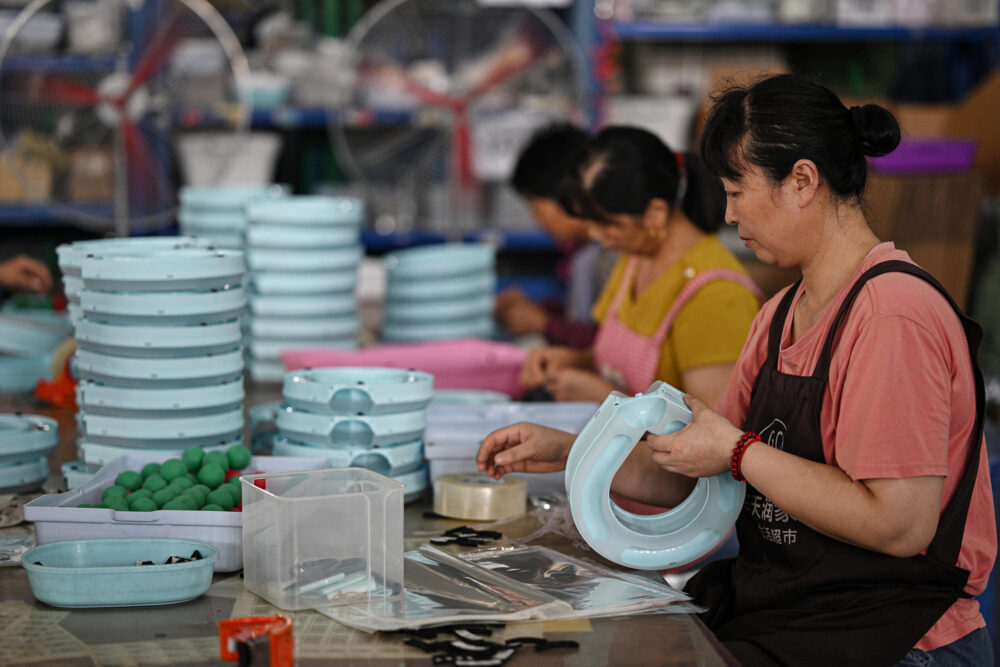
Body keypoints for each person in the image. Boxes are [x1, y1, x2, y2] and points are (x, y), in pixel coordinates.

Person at [477, 74, 996, 667]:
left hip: (896, 634)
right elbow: (699, 472)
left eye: (737, 190)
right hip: (796, 610)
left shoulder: (893, 315)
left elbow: (898, 525)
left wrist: (740, 451)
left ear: (803, 181)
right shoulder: (778, 316)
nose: (727, 214)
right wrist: (576, 452)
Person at [520, 125, 761, 405]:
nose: (596, 235)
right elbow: (615, 362)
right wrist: (575, 361)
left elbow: (714, 434)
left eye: (606, 223)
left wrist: (606, 398)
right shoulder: (635, 257)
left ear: (655, 213)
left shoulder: (718, 296)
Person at [496, 123, 613, 348]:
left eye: (536, 205)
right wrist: (539, 311)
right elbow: (582, 318)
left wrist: (544, 323)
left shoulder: (611, 257)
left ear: (568, 195)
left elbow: (607, 342)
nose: (536, 219)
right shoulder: (585, 255)